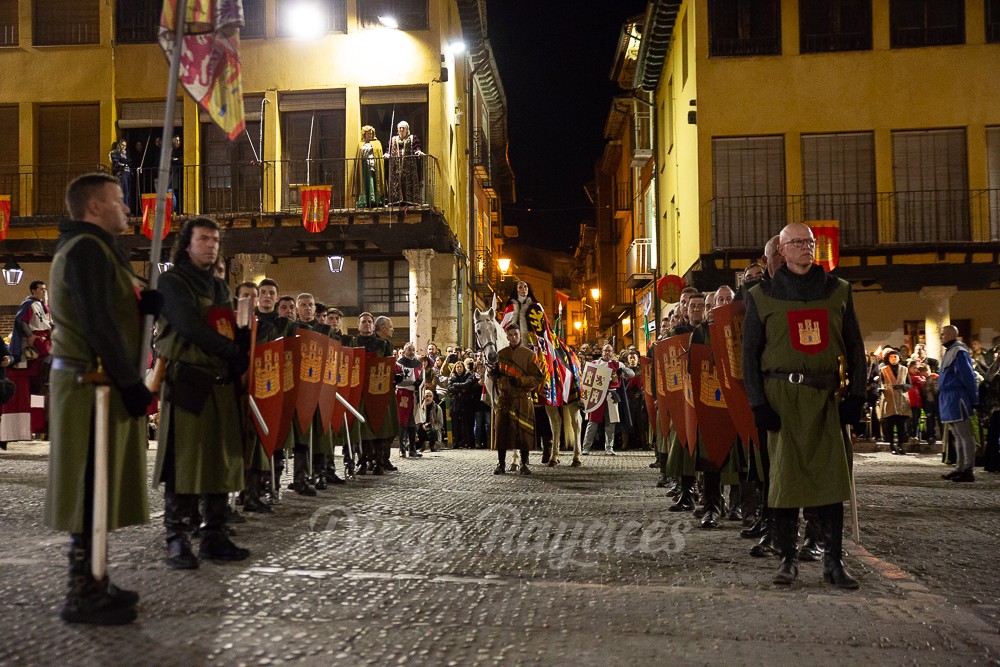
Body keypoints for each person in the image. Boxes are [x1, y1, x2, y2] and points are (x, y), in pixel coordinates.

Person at [44, 172, 156, 625]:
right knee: (88, 482)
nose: (128, 208)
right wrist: (131, 382)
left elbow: (111, 309)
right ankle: (82, 591)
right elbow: (96, 321)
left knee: (101, 481)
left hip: (101, 380)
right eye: (119, 199)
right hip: (89, 382)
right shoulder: (86, 249)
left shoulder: (98, 249)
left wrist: (143, 307)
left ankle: (97, 575)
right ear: (93, 207)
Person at [743, 222, 865, 589]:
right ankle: (787, 559)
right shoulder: (761, 296)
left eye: (810, 242)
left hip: (826, 399)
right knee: (785, 482)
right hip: (783, 399)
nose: (805, 248)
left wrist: (856, 397)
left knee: (831, 481)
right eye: (797, 242)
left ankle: (834, 561)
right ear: (781, 250)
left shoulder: (838, 290)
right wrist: (758, 403)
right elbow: (749, 356)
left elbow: (855, 348)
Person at [154, 217, 251, 570]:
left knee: (220, 460)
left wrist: (244, 343)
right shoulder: (172, 281)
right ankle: (177, 539)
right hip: (189, 379)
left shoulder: (220, 285)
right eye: (204, 239)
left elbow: (227, 325)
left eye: (215, 240)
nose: (211, 245)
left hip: (221, 383)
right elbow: (189, 326)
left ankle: (214, 536)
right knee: (184, 460)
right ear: (187, 243)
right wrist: (232, 351)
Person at [491, 324, 544, 475]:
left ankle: (524, 464)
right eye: (511, 335)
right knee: (502, 431)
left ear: (520, 335)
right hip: (505, 399)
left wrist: (521, 381)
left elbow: (538, 377)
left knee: (523, 433)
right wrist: (493, 373)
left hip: (522, 399)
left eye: (516, 334)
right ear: (507, 336)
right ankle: (501, 464)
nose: (513, 337)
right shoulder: (501, 354)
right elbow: (494, 377)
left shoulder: (529, 355)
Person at [939, 325, 979, 483]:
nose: (941, 337)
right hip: (949, 397)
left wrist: (974, 399)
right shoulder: (951, 351)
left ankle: (968, 469)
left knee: (965, 435)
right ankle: (960, 467)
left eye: (943, 334)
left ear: (951, 335)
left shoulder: (959, 352)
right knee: (957, 435)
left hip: (957, 397)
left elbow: (968, 376)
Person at [581, 343, 634, 456]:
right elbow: (586, 378)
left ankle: (609, 448)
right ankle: (586, 447)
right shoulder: (594, 364)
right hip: (597, 395)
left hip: (611, 395)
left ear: (612, 352)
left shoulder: (617, 364)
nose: (607, 353)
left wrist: (622, 369)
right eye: (605, 350)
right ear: (602, 352)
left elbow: (632, 374)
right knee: (592, 422)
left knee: (610, 423)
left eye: (609, 351)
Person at [879, 348, 911, 455]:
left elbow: (909, 384)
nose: (893, 359)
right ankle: (892, 445)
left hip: (901, 400)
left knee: (901, 426)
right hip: (889, 399)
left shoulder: (904, 369)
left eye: (895, 357)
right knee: (890, 425)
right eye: (891, 357)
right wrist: (881, 389)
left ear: (899, 358)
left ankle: (900, 445)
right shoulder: (883, 370)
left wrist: (903, 386)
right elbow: (880, 383)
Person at [385, 120, 424, 204]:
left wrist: (418, 151)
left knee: (408, 182)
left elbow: (416, 147)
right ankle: (396, 201)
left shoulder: (412, 138)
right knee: (397, 183)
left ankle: (409, 200)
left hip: (409, 167)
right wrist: (387, 154)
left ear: (407, 129)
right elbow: (389, 148)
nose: (401, 129)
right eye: (400, 128)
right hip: (396, 166)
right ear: (397, 129)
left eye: (403, 128)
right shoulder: (393, 139)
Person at [350, 125, 385, 208]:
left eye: (371, 133)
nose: (370, 135)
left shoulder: (377, 143)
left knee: (374, 181)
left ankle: (375, 200)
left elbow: (378, 155)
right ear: (364, 134)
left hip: (374, 166)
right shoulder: (360, 144)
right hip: (364, 166)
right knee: (364, 182)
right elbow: (359, 156)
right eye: (368, 133)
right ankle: (364, 201)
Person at [109, 140, 133, 213]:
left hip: (128, 172)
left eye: (125, 145)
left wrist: (124, 163)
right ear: (119, 145)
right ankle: (124, 210)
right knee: (124, 191)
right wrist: (124, 164)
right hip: (122, 173)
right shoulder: (115, 153)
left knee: (128, 192)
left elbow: (130, 162)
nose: (124, 147)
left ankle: (127, 209)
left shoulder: (126, 154)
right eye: (122, 145)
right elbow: (117, 162)